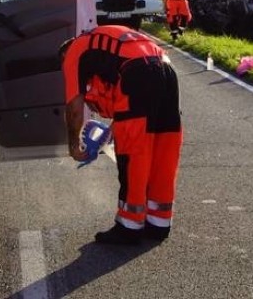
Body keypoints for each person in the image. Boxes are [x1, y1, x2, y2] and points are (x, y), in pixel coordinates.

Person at [60, 25, 183, 245]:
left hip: (137, 74)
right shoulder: (103, 40)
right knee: (164, 150)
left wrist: (73, 144)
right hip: (166, 69)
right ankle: (159, 223)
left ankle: (129, 227)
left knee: (133, 156)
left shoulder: (73, 54)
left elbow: (75, 108)